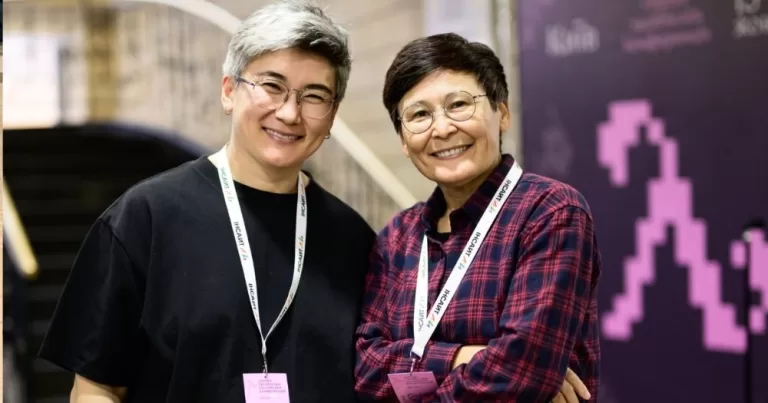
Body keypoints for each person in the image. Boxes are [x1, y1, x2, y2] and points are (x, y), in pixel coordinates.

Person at [37, 1, 376, 402]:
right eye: (271, 86)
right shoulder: (146, 218)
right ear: (229, 90)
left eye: (314, 96)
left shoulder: (354, 239)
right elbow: (96, 388)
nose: (289, 113)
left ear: (332, 114)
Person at [354, 33, 601, 402]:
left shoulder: (550, 213)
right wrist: (462, 356)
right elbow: (366, 369)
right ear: (404, 141)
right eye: (420, 114)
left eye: (459, 105)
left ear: (502, 113)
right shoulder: (396, 238)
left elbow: (518, 374)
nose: (441, 129)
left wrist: (417, 368)